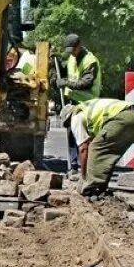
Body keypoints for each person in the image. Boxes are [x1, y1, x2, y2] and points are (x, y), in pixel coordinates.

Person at [60, 99, 134, 196]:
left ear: (68, 118)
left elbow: (84, 148)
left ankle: (94, 188)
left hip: (124, 119)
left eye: (67, 125)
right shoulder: (87, 106)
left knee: (97, 148)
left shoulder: (76, 117)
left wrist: (84, 177)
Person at [56, 33, 101, 178]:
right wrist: (56, 63)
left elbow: (86, 82)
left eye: (73, 50)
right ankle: (73, 167)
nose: (72, 54)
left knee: (85, 137)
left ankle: (87, 169)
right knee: (71, 134)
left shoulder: (90, 61)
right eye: (69, 51)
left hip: (88, 104)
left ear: (79, 45)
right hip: (74, 102)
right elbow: (68, 72)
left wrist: (66, 83)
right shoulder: (71, 57)